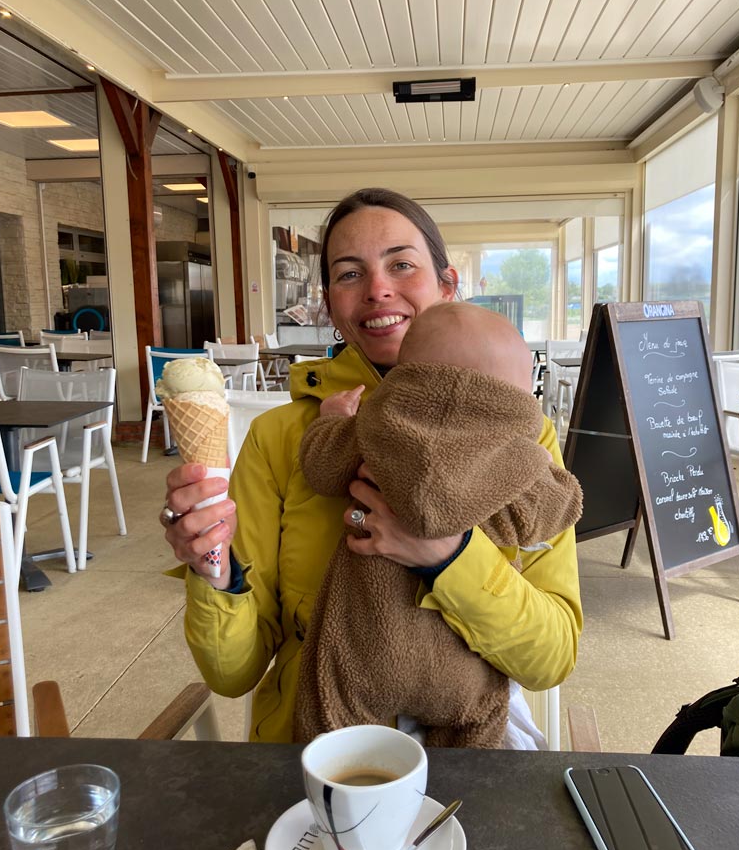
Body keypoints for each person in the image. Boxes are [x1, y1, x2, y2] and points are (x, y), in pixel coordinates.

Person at [161, 188, 583, 744]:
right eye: (349, 274)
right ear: (331, 304)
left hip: (467, 740)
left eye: (402, 264)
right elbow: (232, 674)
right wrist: (212, 569)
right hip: (316, 747)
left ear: (447, 285)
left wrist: (446, 556)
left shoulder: (526, 439)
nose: (378, 289)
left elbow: (551, 657)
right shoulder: (283, 437)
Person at [293, 301, 583, 748]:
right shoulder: (518, 459)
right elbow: (552, 513)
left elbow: (322, 467)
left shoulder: (375, 426)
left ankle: (335, 798)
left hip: (365, 646)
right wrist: (548, 471)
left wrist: (330, 424)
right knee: (480, 723)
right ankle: (460, 807)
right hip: (461, 669)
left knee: (329, 716)